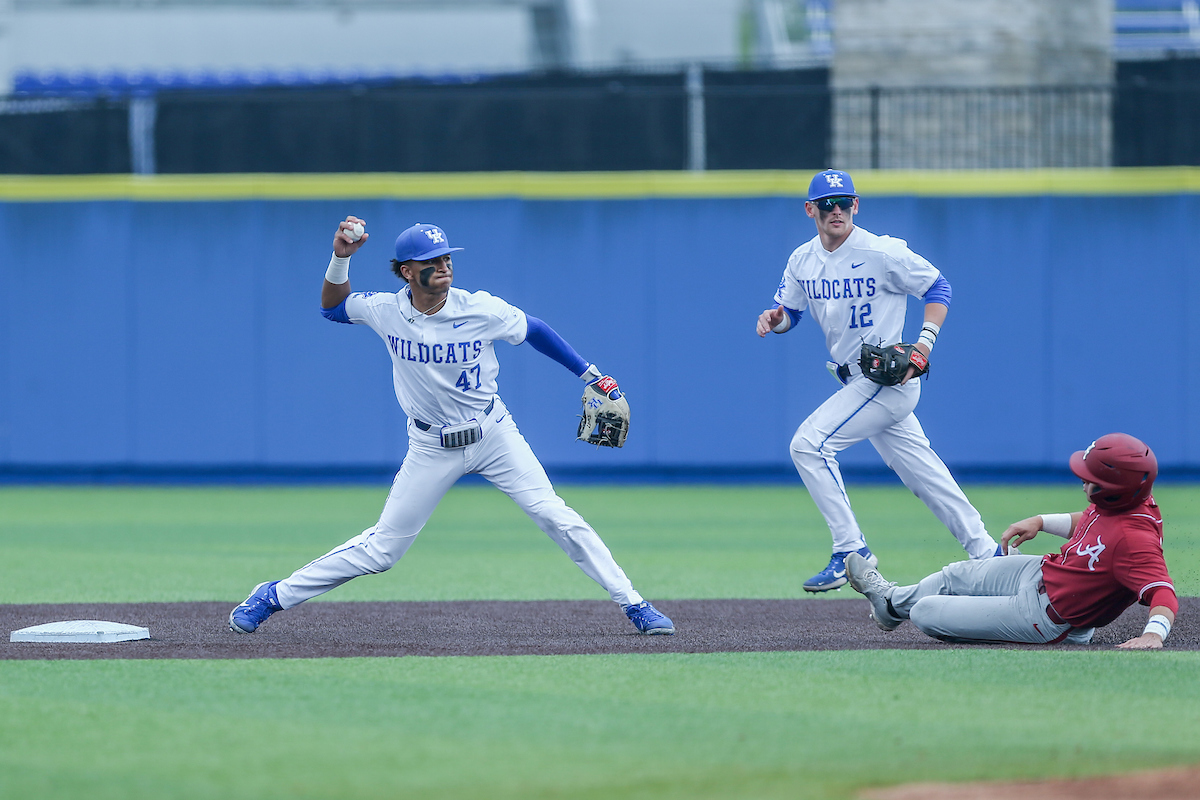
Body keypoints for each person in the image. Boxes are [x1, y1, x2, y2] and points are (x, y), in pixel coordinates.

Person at [229, 218, 674, 636]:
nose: (443, 267)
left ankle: (633, 603)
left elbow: (535, 330)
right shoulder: (385, 310)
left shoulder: (480, 308)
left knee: (554, 515)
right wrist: (341, 257)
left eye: (446, 259)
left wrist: (591, 375)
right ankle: (273, 595)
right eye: (431, 262)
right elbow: (332, 309)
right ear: (407, 272)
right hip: (429, 446)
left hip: (493, 434)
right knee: (384, 551)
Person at [756, 169, 1000, 593]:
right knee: (925, 475)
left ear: (857, 205)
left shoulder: (881, 251)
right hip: (853, 381)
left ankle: (851, 550)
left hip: (886, 378)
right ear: (810, 209)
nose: (837, 210)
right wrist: (776, 320)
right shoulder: (802, 259)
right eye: (828, 203)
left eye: (845, 202)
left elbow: (937, 287)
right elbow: (790, 312)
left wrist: (923, 345)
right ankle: (991, 557)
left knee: (808, 444)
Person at [846, 433, 1177, 649]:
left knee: (925, 612)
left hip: (1047, 617)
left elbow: (1163, 591)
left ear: (1114, 490)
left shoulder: (1135, 540)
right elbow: (1093, 524)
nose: (1083, 481)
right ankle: (888, 603)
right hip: (1043, 573)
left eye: (1091, 480)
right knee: (956, 574)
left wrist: (1153, 634)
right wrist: (1042, 522)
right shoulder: (1131, 503)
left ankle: (1069, 635)